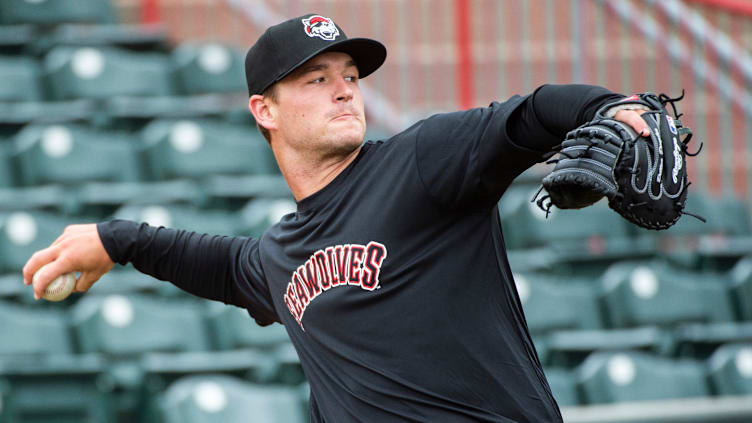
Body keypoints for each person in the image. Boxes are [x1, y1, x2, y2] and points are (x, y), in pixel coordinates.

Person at [24, 13, 651, 423]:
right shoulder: (277, 256)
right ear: (263, 111)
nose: (345, 88)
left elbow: (530, 114)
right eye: (316, 79)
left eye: (349, 75)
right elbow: (206, 260)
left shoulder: (420, 162)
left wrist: (610, 107)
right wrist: (114, 238)